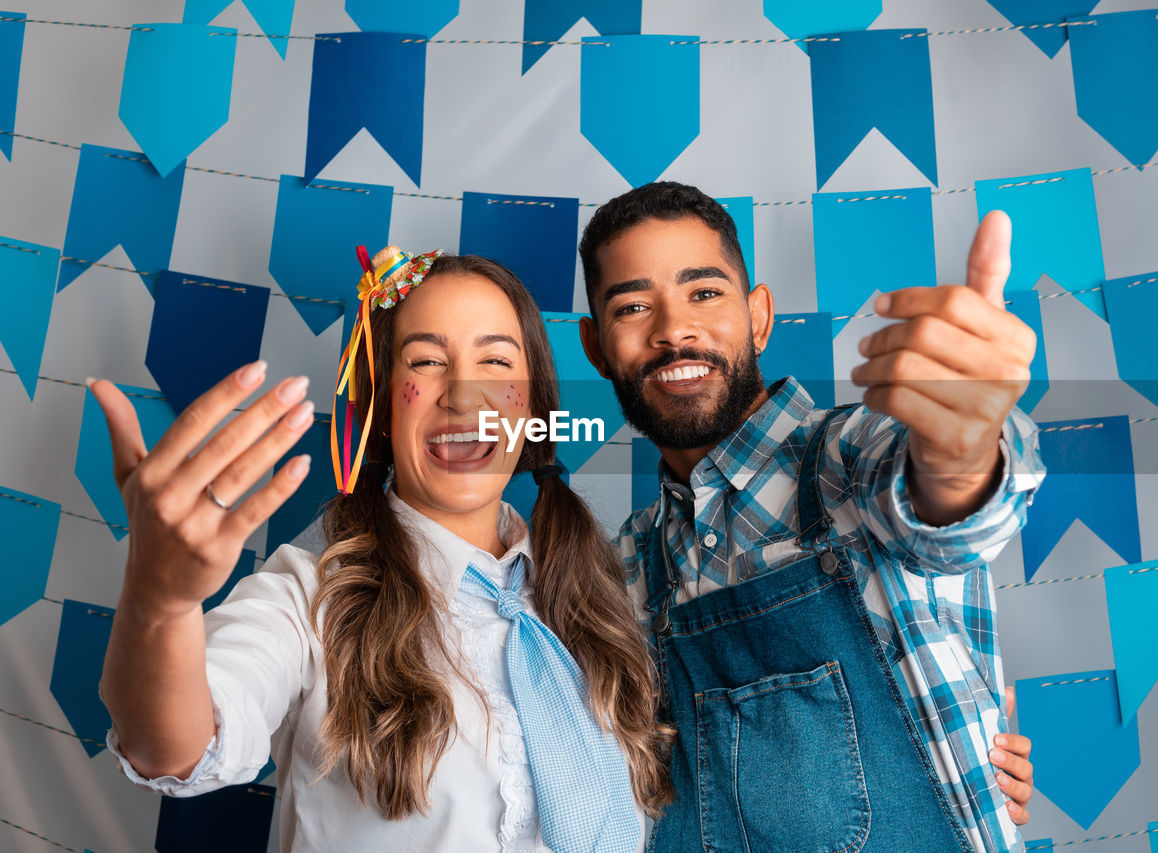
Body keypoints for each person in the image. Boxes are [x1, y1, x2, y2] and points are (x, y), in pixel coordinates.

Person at [94, 250, 671, 852]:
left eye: (496, 361)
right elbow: (175, 747)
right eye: (426, 361)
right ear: (382, 407)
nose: (463, 395)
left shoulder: (600, 592)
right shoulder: (311, 594)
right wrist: (159, 605)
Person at [576, 181, 1046, 853]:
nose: (674, 329)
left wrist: (961, 451)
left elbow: (949, 511)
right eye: (634, 305)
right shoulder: (626, 567)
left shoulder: (847, 460)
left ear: (759, 315)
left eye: (704, 292)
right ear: (596, 347)